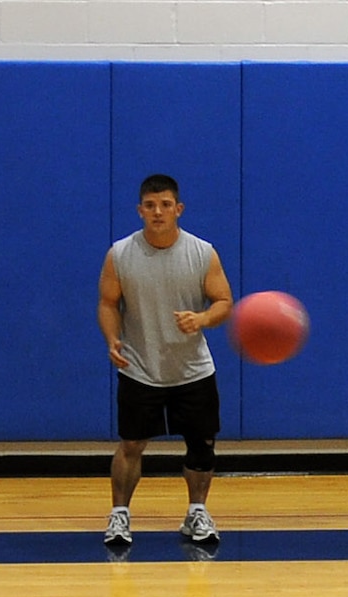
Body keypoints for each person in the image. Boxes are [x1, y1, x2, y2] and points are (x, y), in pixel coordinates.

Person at [99, 173, 234, 549]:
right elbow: (108, 303)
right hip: (141, 366)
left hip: (192, 369)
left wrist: (203, 319)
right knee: (131, 444)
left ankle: (196, 512)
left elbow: (224, 301)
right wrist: (112, 339)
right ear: (140, 210)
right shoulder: (120, 254)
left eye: (165, 205)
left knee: (202, 443)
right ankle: (119, 516)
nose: (157, 212)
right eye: (150, 205)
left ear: (179, 209)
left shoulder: (201, 252)